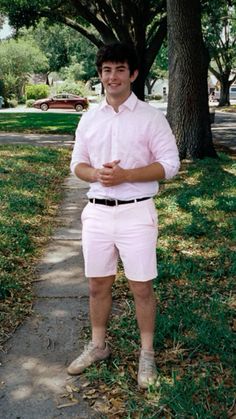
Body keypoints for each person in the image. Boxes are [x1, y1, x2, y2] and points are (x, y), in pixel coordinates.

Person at [68, 42, 180, 388]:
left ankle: (147, 354)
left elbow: (170, 165)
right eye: (106, 70)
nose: (112, 77)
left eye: (119, 69)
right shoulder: (89, 118)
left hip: (136, 213)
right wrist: (97, 176)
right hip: (97, 214)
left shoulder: (150, 117)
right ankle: (98, 345)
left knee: (141, 287)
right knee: (97, 284)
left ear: (132, 74)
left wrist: (127, 175)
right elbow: (78, 165)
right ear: (100, 76)